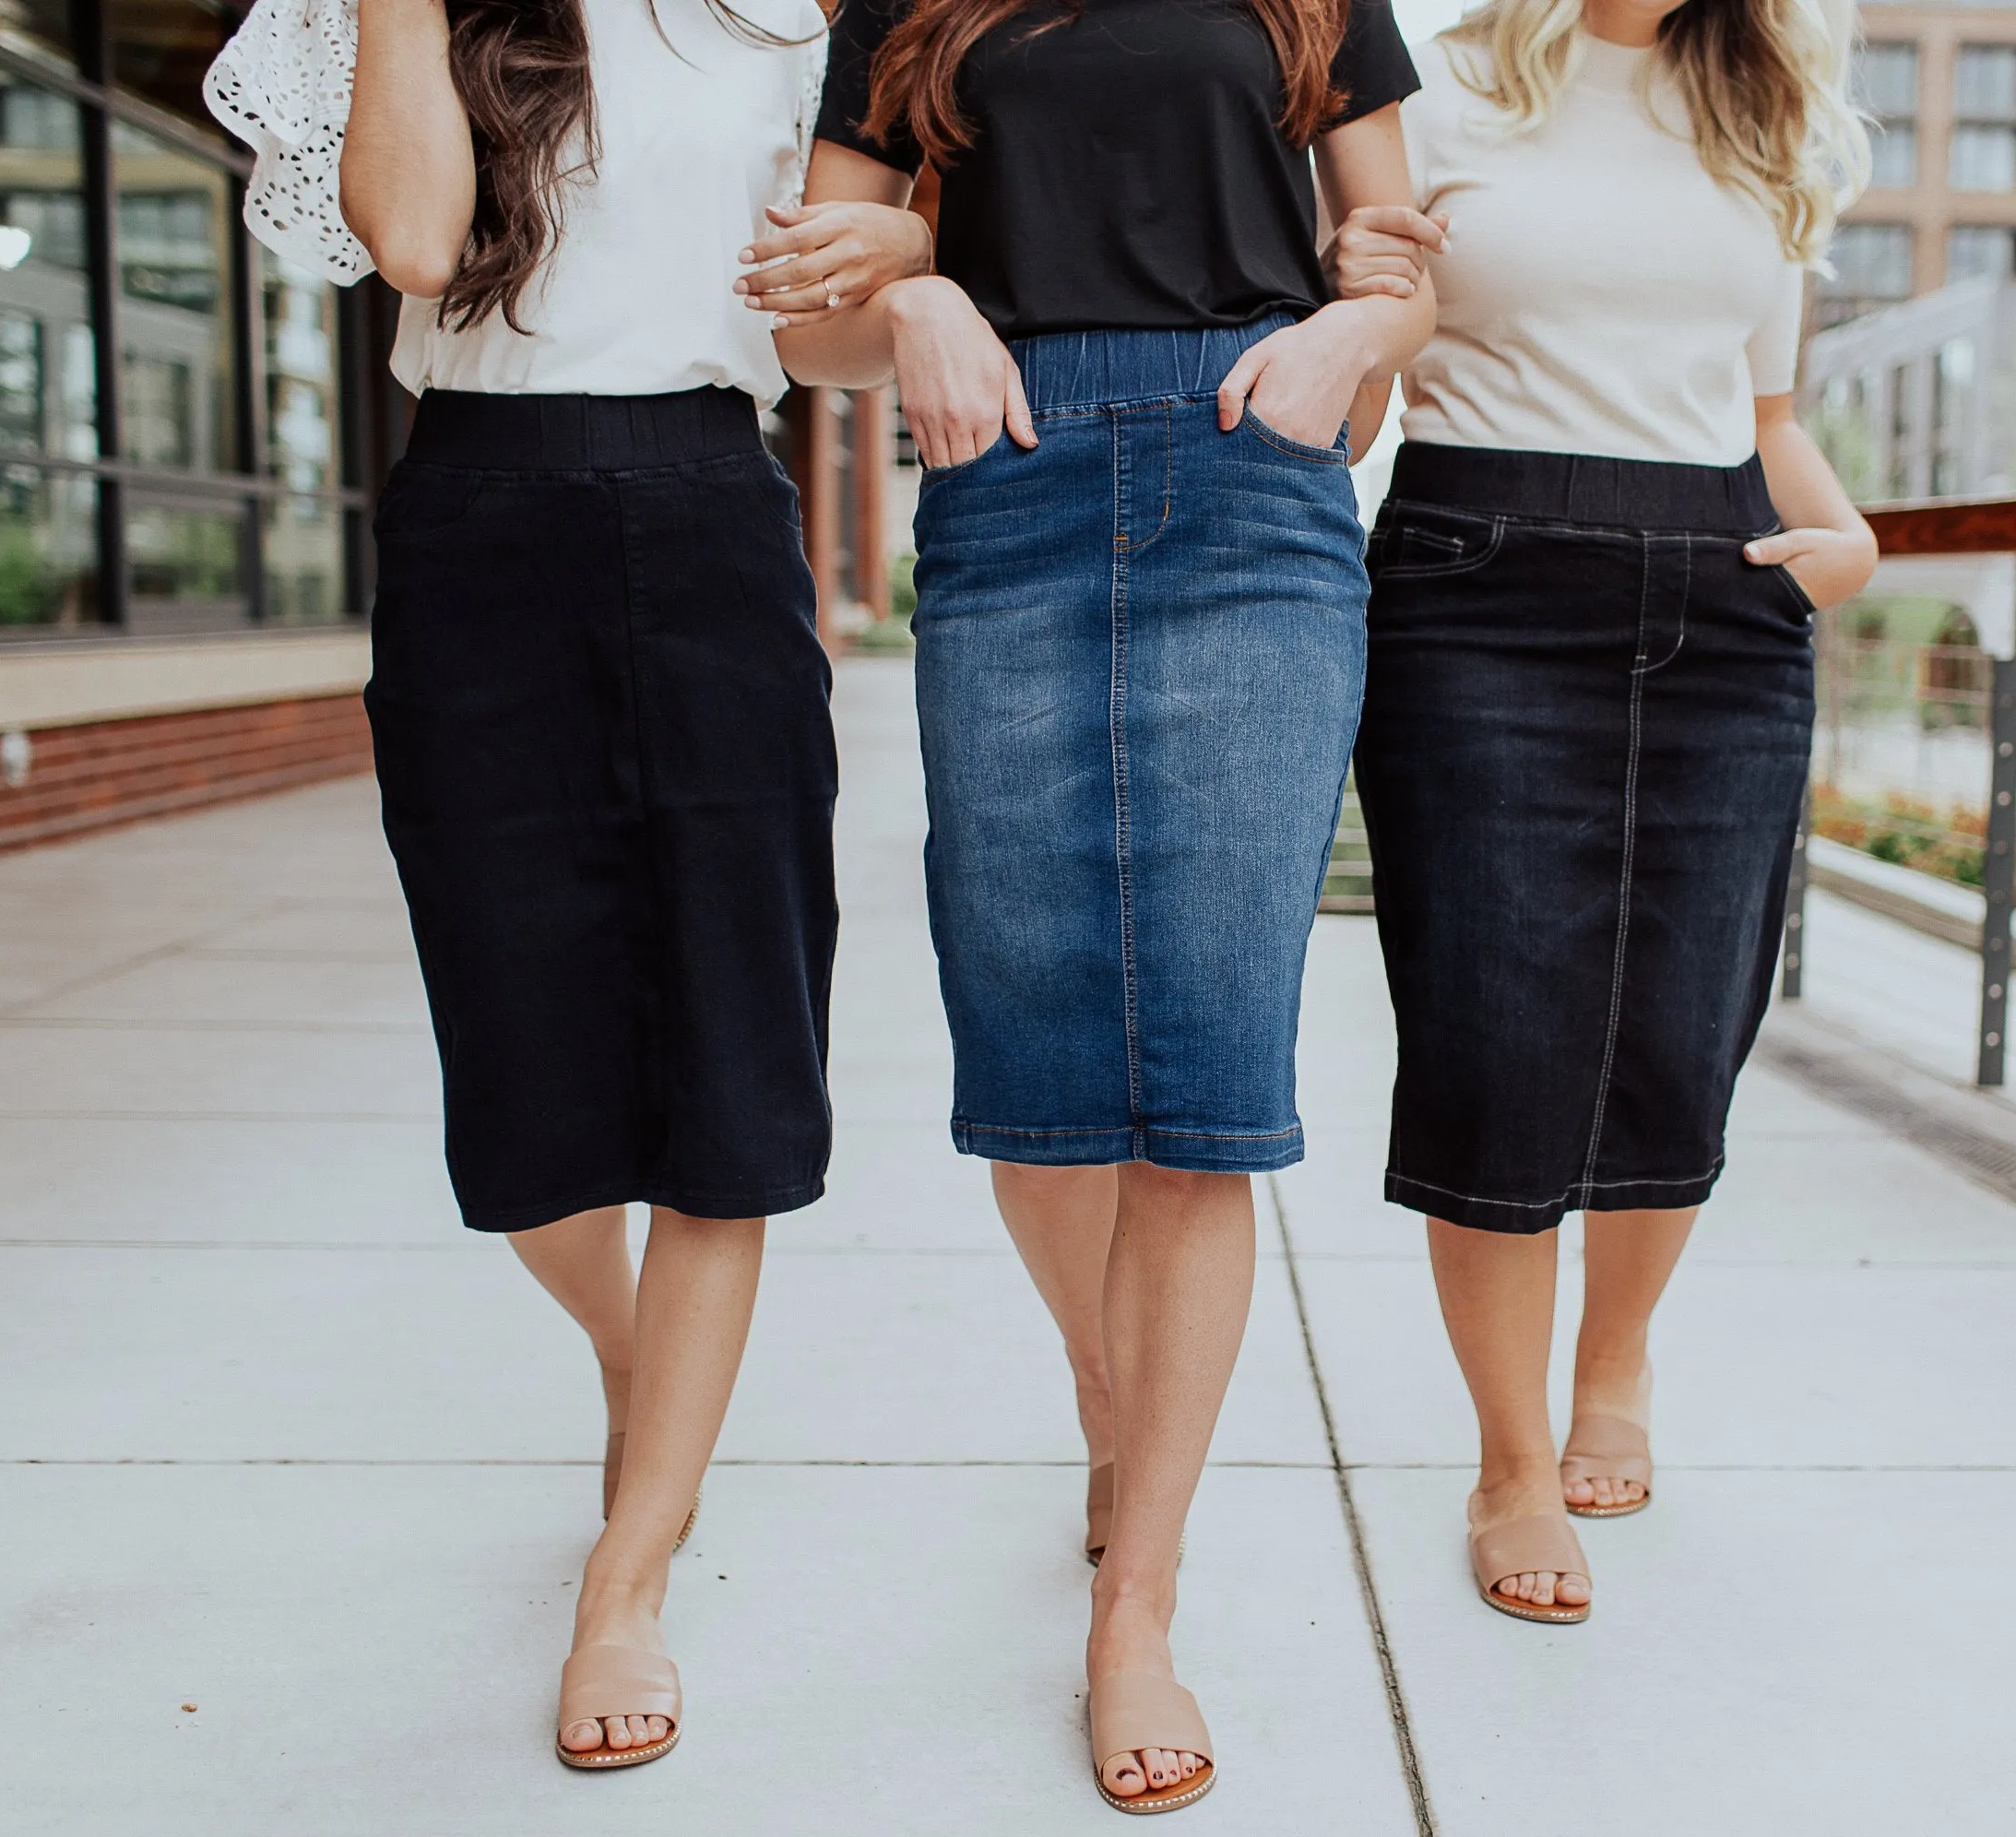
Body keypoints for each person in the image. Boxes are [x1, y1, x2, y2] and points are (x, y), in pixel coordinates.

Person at [206, 0, 931, 1770]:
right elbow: (416, 240)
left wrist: (907, 248)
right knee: (523, 1092)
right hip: (477, 527)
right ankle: (638, 1368)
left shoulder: (800, 26)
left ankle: (626, 1574)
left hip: (705, 512)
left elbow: (825, 348)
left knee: (731, 1064)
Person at [763, 0, 1434, 1807]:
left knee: (1204, 1078)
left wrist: (1352, 336)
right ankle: (1109, 1386)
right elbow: (805, 307)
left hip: (1258, 496)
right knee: (1040, 1049)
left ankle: (1136, 1612)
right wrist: (914, 297)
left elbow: (1411, 260)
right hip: (1009, 495)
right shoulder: (903, 10)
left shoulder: (1311, 1)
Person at [1326, 0, 1878, 1624]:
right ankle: (1508, 1462)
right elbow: (1370, 379)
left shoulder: (1762, 113)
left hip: (1730, 593)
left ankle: (1614, 1364)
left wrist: (1843, 546)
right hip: (1480, 574)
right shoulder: (1430, 92)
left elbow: (1769, 424)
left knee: (1684, 1022)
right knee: (1496, 1034)